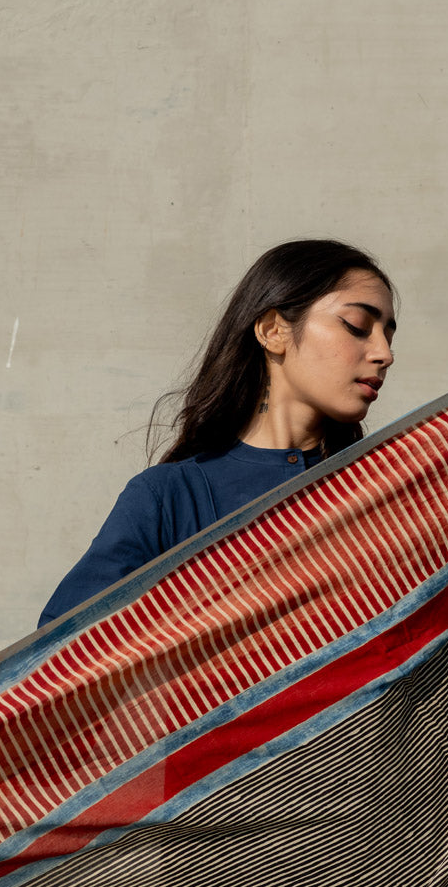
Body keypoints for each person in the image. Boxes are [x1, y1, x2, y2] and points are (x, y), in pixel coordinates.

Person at [38, 238, 397, 627]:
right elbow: (63, 650)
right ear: (273, 331)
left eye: (389, 336)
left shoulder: (387, 490)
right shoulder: (170, 498)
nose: (384, 354)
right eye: (357, 326)